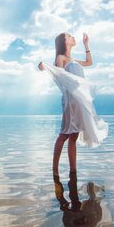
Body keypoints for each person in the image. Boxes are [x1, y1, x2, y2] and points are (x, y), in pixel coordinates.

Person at [38, 32, 108, 175]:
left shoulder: (73, 60)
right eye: (69, 36)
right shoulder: (61, 58)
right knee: (64, 133)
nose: (72, 37)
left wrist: (86, 45)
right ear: (64, 42)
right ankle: (55, 169)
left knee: (74, 135)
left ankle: (73, 170)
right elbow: (59, 74)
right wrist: (45, 66)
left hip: (80, 99)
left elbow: (89, 63)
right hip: (70, 99)